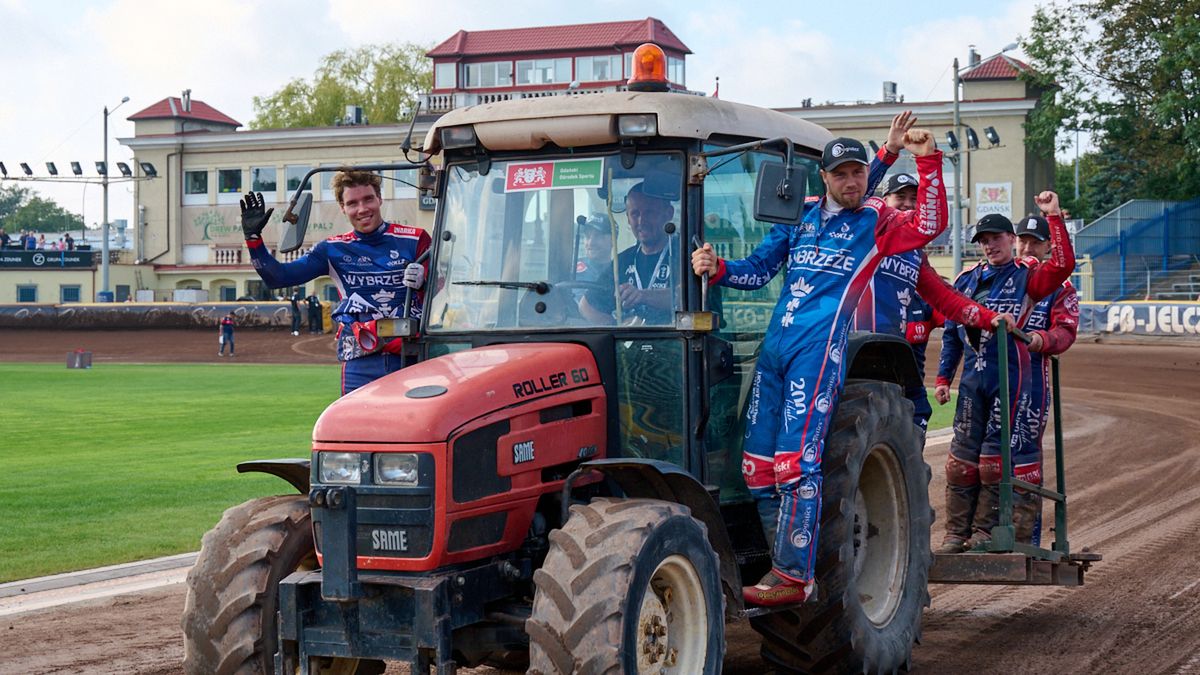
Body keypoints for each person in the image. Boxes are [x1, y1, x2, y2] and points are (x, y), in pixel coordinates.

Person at [691, 130, 947, 605]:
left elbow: (930, 222)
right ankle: (778, 564)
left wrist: (927, 160)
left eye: (858, 173)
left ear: (867, 176)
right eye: (841, 173)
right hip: (775, 350)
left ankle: (796, 577)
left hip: (819, 350)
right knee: (756, 469)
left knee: (795, 464)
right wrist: (717, 267)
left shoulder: (878, 220)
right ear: (824, 177)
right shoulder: (800, 213)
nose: (851, 181)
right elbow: (758, 270)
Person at [933, 192, 1075, 554]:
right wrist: (943, 378)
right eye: (983, 240)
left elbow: (1063, 268)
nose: (990, 245)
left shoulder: (1030, 278)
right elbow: (951, 332)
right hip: (973, 380)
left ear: (1010, 240)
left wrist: (1054, 217)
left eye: (996, 238)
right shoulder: (966, 280)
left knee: (995, 461)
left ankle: (989, 533)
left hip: (1015, 380)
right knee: (960, 462)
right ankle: (955, 534)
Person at [241, 169, 431, 395]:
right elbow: (278, 278)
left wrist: (425, 281)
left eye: (368, 199)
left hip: (410, 355)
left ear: (380, 198)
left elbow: (443, 294)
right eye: (352, 203)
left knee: (415, 419)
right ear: (342, 207)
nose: (362, 209)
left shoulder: (415, 239)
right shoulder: (332, 249)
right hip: (360, 361)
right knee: (356, 420)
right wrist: (253, 239)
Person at [853, 172, 1010, 432]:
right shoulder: (864, 231)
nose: (907, 204)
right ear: (884, 200)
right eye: (900, 197)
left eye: (913, 199)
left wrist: (988, 318)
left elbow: (944, 297)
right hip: (854, 349)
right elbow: (855, 193)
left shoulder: (915, 254)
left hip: (891, 357)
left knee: (917, 412)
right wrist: (888, 153)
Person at [1013, 213, 1079, 544]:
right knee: (984, 459)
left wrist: (1042, 339)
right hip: (989, 380)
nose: (1027, 248)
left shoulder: (1060, 287)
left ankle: (1027, 542)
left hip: (1033, 384)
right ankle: (980, 533)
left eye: (1035, 243)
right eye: (1022, 241)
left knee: (1025, 458)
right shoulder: (997, 276)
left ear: (1048, 247)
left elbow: (1066, 331)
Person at [580, 182, 678, 325]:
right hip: (628, 338)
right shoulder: (622, 261)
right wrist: (617, 327)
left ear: (668, 214)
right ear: (628, 218)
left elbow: (687, 295)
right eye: (635, 214)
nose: (641, 221)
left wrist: (643, 296)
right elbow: (586, 306)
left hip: (676, 337)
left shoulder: (686, 254)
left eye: (649, 213)